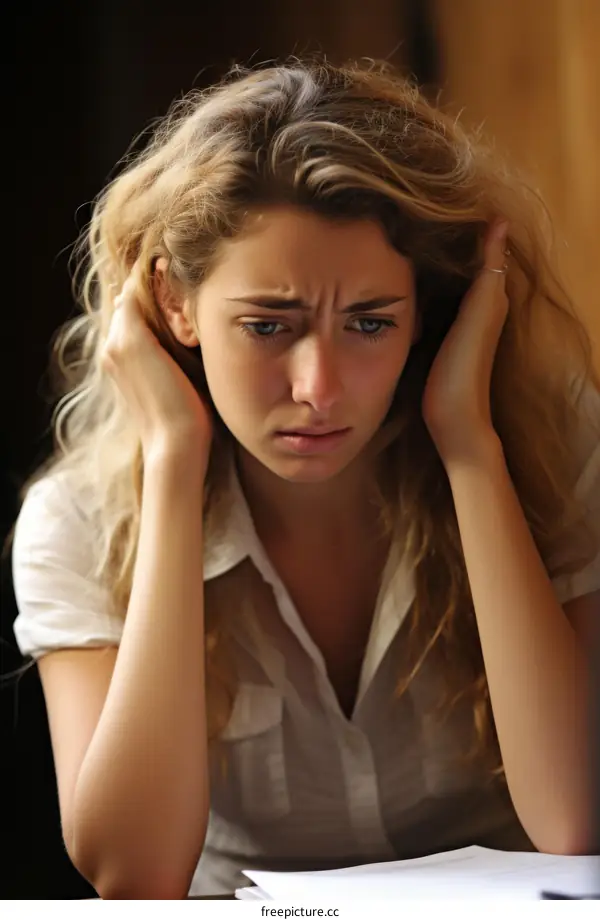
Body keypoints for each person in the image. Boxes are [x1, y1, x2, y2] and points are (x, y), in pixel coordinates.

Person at [8, 57, 600, 900]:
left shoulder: (551, 453)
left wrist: (469, 447)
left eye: (369, 322)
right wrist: (175, 466)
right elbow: (134, 880)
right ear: (174, 303)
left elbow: (578, 820)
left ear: (426, 309)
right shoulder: (79, 521)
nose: (318, 387)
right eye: (266, 325)